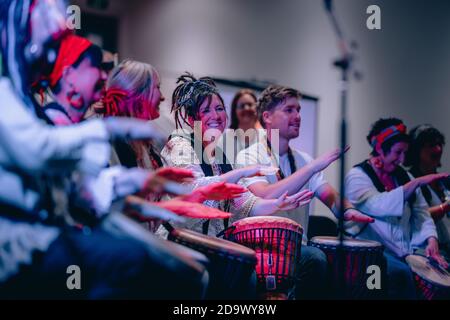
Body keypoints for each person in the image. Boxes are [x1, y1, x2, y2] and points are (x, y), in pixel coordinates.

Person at [0, 0, 207, 299]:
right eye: (93, 68)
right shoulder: (37, 113)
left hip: (55, 232)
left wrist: (147, 186)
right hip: (24, 243)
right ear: (68, 76)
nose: (102, 76)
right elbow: (47, 160)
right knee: (135, 262)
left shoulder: (37, 111)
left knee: (186, 271)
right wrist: (112, 130)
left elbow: (84, 190)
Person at [235, 84, 374, 299]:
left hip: (295, 248)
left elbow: (329, 196)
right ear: (267, 117)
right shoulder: (248, 157)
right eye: (289, 110)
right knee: (316, 259)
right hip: (262, 248)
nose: (298, 116)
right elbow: (265, 194)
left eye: (298, 110)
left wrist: (347, 210)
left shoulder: (304, 159)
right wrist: (312, 168)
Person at [159, 73, 314, 237]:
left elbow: (244, 202)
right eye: (206, 110)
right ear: (191, 120)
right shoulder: (179, 144)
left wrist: (277, 204)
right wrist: (241, 172)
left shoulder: (219, 156)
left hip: (209, 244)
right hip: (177, 242)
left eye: (219, 108)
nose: (216, 116)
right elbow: (192, 189)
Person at [345, 118, 449, 299]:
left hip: (403, 252)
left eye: (405, 152)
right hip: (369, 256)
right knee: (397, 275)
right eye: (397, 152)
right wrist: (415, 183)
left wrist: (431, 240)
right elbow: (378, 204)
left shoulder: (403, 175)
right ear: (379, 149)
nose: (402, 159)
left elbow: (421, 213)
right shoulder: (357, 176)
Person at [405, 125, 450, 259]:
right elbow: (416, 216)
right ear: (417, 150)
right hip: (427, 252)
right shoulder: (410, 181)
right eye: (431, 145)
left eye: (439, 144)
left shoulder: (445, 181)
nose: (438, 149)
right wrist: (445, 207)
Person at [228, 89, 265, 158]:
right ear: (234, 111)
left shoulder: (266, 138)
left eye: (250, 105)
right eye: (242, 106)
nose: (246, 108)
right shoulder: (225, 140)